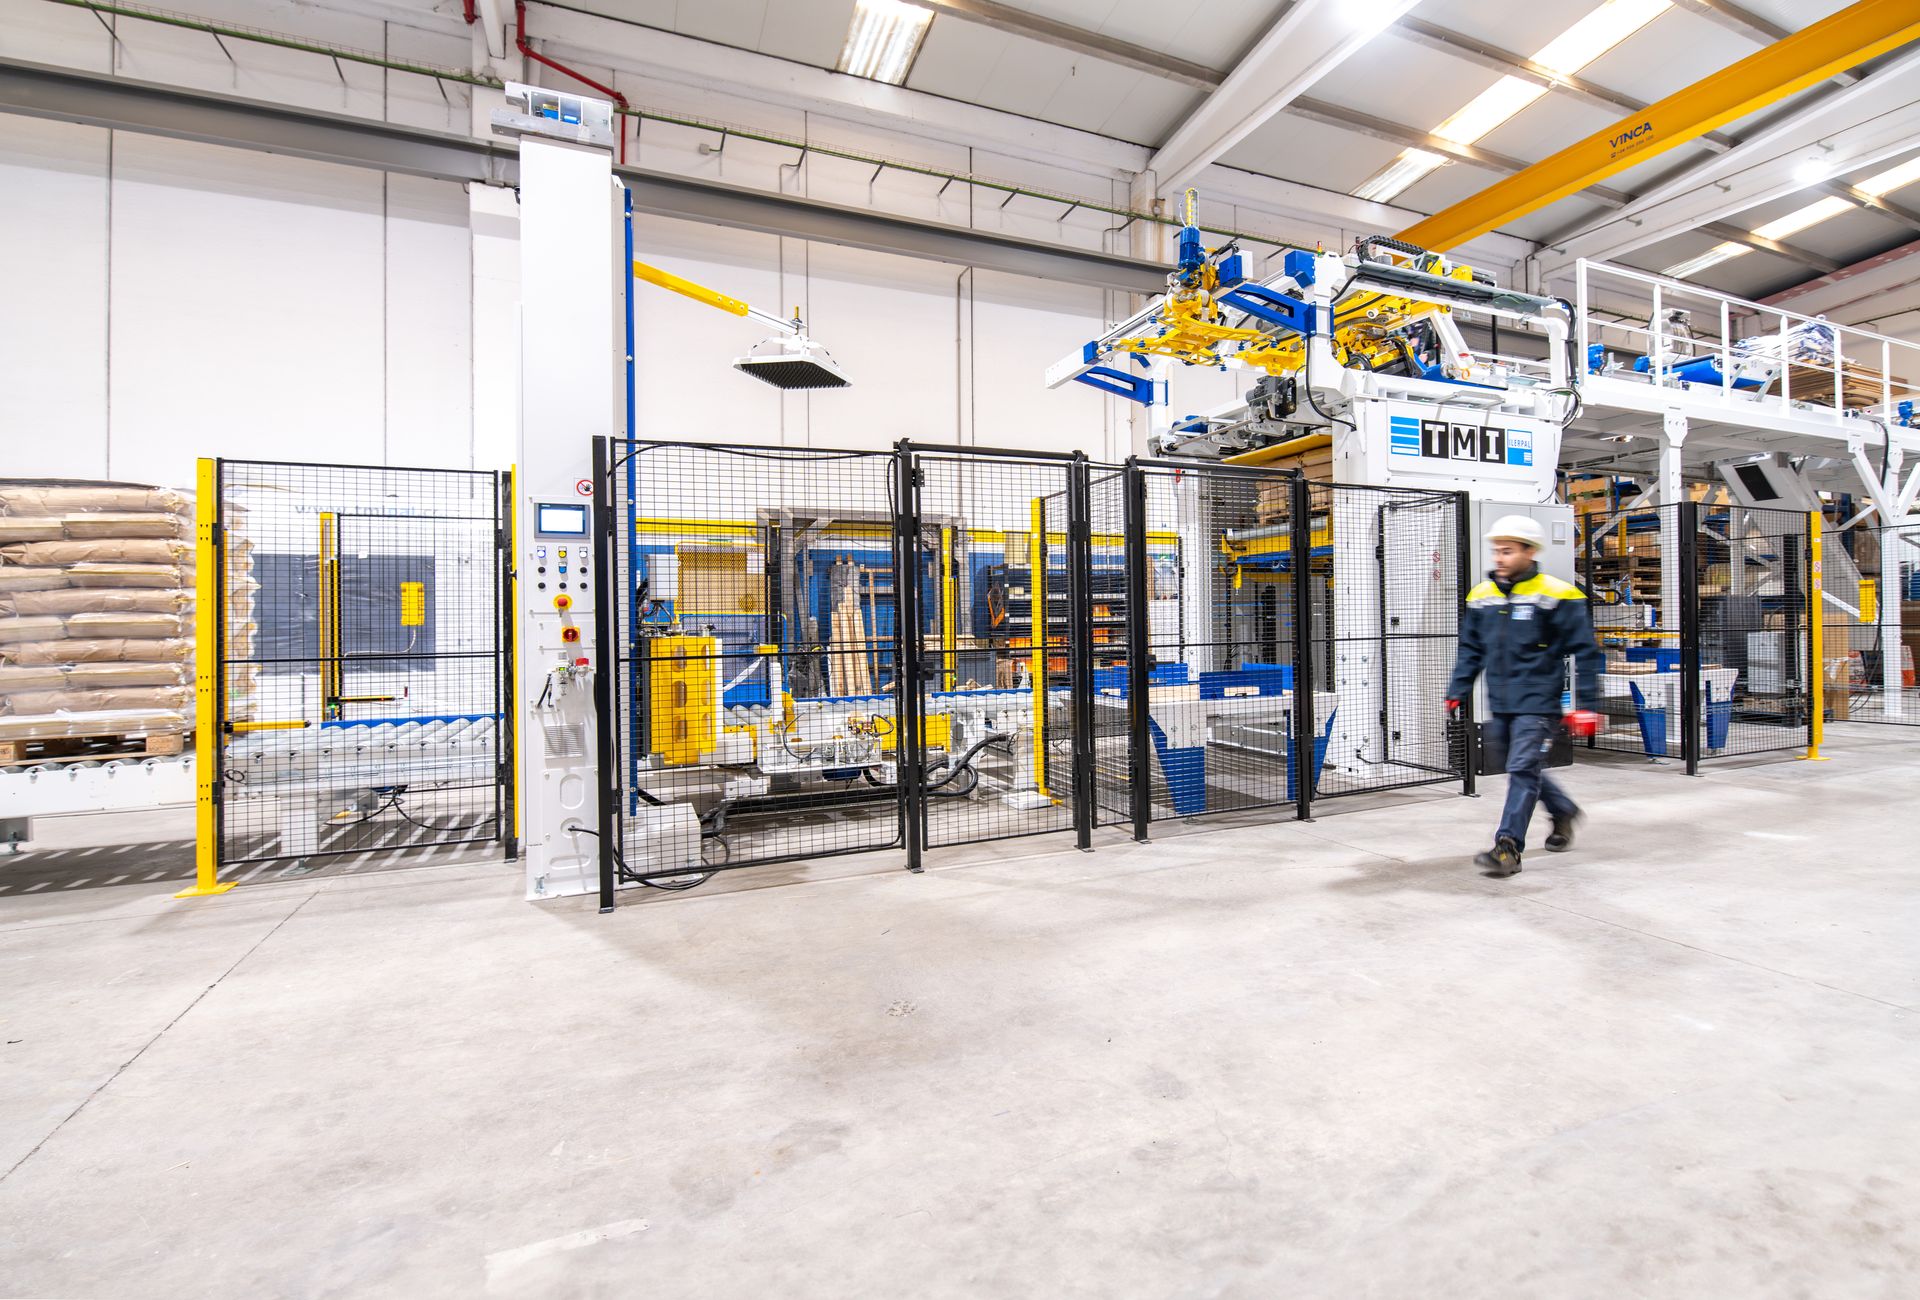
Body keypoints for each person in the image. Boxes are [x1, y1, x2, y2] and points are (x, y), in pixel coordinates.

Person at [1445, 515, 1606, 878]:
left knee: (1521, 768)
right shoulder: (1482, 596)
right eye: (1496, 551)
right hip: (1501, 701)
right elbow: (1471, 649)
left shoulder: (1558, 594)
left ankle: (1508, 847)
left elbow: (1586, 652)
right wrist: (1458, 689)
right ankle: (1563, 809)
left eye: (1507, 551)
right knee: (1521, 767)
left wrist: (1586, 706)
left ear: (1530, 552)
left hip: (1539, 702)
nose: (1499, 558)